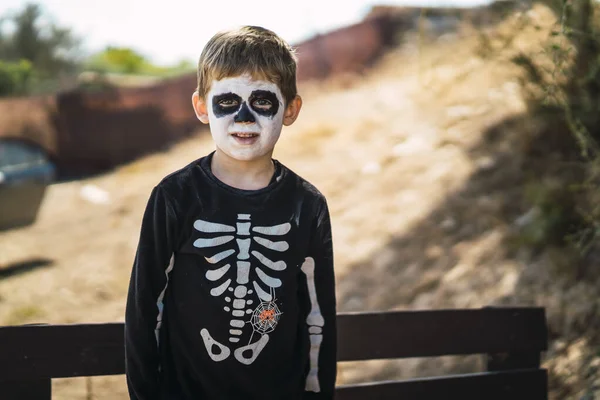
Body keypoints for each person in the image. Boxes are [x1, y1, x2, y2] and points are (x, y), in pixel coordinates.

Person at [124, 25, 337, 400]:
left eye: (262, 101)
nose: (243, 117)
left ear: (290, 109)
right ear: (202, 107)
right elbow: (144, 308)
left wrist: (317, 392)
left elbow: (318, 313)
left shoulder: (307, 205)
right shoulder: (175, 197)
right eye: (227, 101)